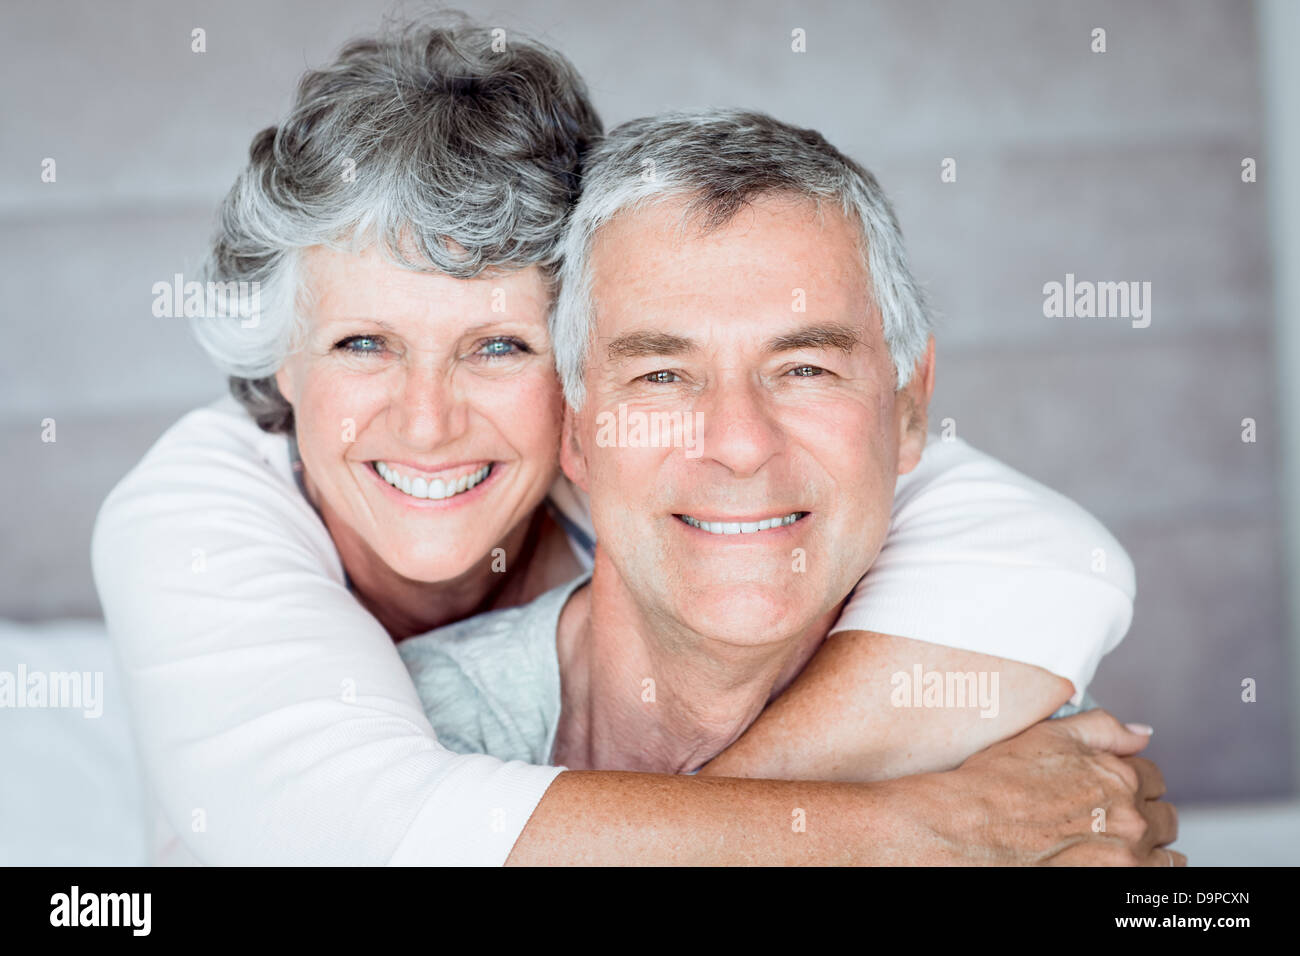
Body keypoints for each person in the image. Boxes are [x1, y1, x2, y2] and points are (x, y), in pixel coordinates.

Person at [92, 14, 1167, 865]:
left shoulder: (673, 432)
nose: (428, 420)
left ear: (575, 374)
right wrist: (916, 831)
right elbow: (358, 831)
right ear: (280, 358)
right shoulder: (189, 517)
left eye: (498, 347)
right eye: (365, 341)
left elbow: (1049, 560)